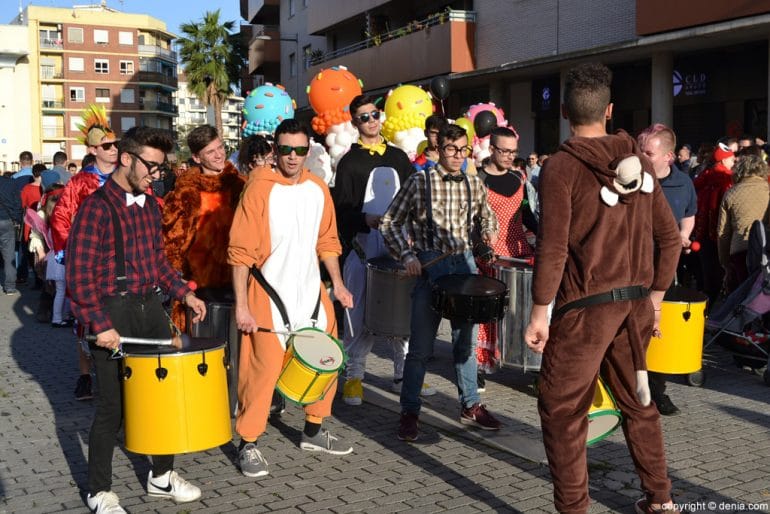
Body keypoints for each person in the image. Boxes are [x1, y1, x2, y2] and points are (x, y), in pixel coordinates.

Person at [524, 62, 681, 514]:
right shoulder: (641, 164)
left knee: (561, 410)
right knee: (639, 404)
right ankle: (661, 500)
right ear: (609, 110)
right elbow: (670, 239)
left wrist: (539, 312)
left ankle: (575, 507)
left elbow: (553, 247)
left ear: (564, 113)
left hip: (585, 309)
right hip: (634, 305)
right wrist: (655, 299)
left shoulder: (560, 166)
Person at [67, 126, 207, 514]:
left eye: (161, 168)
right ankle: (99, 491)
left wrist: (184, 293)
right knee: (112, 409)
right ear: (126, 159)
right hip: (113, 313)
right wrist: (99, 325)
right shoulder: (95, 209)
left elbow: (157, 263)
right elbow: (78, 276)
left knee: (162, 398)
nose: (157, 175)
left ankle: (161, 476)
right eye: (152, 166)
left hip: (149, 308)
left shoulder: (148, 205)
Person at [228, 119, 355, 478]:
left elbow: (328, 241)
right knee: (262, 371)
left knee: (326, 362)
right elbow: (239, 253)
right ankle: (248, 442)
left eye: (300, 150)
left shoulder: (318, 188)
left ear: (308, 149)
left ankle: (313, 431)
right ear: (275, 150)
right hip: (268, 295)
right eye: (286, 149)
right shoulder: (259, 189)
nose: (293, 157)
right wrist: (241, 305)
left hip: (312, 295)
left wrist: (338, 285)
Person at [381, 123, 502, 442]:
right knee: (421, 348)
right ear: (439, 148)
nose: (458, 156)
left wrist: (488, 232)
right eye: (452, 149)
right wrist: (407, 255)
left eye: (463, 150)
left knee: (465, 344)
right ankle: (409, 411)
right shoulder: (419, 181)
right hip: (430, 266)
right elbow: (390, 222)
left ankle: (470, 405)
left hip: (464, 265)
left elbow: (487, 216)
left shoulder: (473, 182)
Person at [332, 95, 431, 406]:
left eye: (374, 114)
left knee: (402, 310)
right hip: (363, 244)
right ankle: (354, 376)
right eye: (364, 117)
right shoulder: (349, 162)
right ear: (355, 123)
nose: (371, 121)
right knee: (358, 311)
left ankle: (404, 374)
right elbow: (341, 209)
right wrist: (365, 219)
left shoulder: (399, 157)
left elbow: (416, 198)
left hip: (399, 243)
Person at [50, 104, 119, 401]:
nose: (114, 149)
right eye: (107, 146)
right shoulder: (80, 182)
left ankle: (121, 375)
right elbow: (60, 217)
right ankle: (85, 375)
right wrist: (70, 252)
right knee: (86, 320)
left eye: (115, 144)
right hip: (90, 263)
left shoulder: (125, 177)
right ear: (93, 150)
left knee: (120, 316)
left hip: (122, 263)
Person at [638, 123, 698, 416]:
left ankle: (657, 391)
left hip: (665, 267)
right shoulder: (632, 178)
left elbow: (689, 214)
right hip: (630, 266)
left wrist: (684, 235)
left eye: (648, 153)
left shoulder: (684, 183)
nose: (641, 156)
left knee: (657, 329)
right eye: (639, 150)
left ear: (668, 157)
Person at [162, 125, 245, 330]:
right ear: (197, 158)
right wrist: (179, 282)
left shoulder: (240, 186)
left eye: (220, 148)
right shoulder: (185, 192)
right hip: (198, 287)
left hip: (237, 280)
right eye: (210, 152)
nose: (219, 155)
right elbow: (171, 241)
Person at [475, 127, 535, 387]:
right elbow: (472, 221)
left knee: (523, 309)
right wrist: (480, 246)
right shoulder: (478, 180)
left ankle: (528, 360)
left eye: (513, 152)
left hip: (519, 252)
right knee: (488, 313)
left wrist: (544, 234)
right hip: (491, 255)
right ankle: (478, 365)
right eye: (504, 151)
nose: (510, 156)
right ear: (491, 150)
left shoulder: (519, 178)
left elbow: (527, 214)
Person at [717, 154, 770, 293]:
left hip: (739, 250)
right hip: (765, 248)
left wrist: (725, 263)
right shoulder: (768, 191)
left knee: (743, 294)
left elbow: (723, 233)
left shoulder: (731, 193)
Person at [693, 143, 735, 303]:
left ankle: (704, 305)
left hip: (702, 232)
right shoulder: (728, 179)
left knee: (706, 274)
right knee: (721, 272)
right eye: (731, 159)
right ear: (723, 161)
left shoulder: (704, 177)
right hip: (720, 233)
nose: (734, 161)